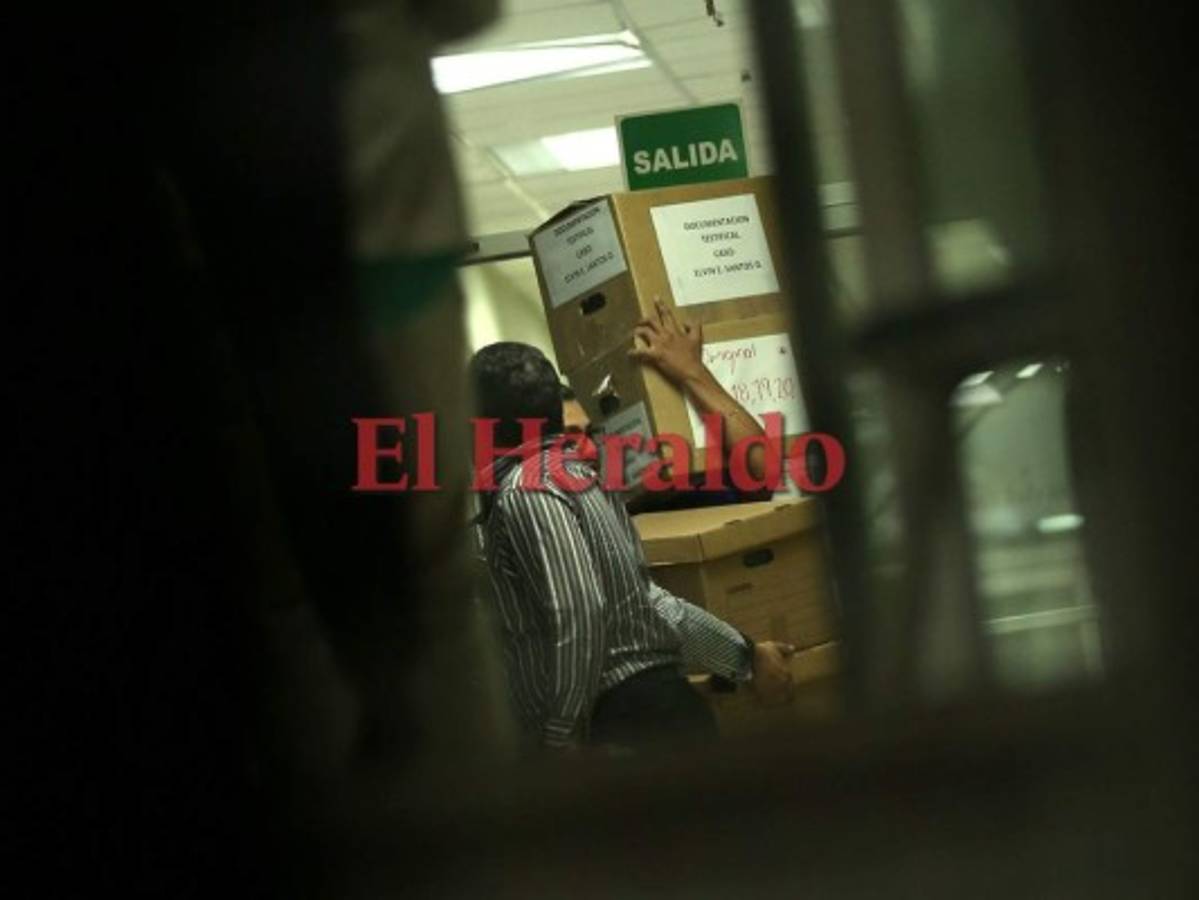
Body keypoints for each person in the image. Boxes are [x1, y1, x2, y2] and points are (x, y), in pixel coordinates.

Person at [470, 314, 796, 754]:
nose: (585, 447)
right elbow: (650, 603)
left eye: (589, 434)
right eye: (571, 435)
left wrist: (560, 735)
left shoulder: (532, 491)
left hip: (618, 726)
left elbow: (579, 612)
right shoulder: (593, 490)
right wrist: (745, 657)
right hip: (655, 713)